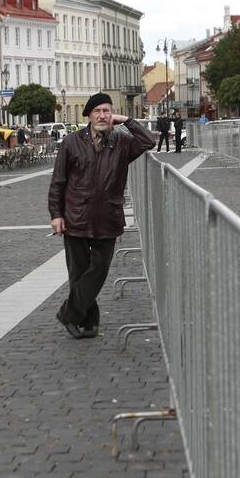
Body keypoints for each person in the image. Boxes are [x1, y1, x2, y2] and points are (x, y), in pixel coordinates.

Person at [48, 93, 156, 339]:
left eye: (107, 111)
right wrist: (56, 215)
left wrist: (127, 120)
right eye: (97, 111)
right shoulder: (72, 143)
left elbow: (148, 140)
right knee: (78, 273)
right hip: (76, 216)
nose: (102, 115)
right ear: (88, 115)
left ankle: (69, 313)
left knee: (98, 271)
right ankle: (89, 322)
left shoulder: (121, 143)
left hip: (108, 216)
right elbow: (58, 182)